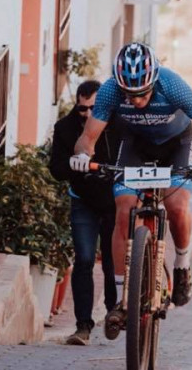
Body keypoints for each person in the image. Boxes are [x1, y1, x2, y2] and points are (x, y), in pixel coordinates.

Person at [70, 42, 192, 340]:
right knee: (124, 208)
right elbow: (87, 138)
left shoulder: (172, 85)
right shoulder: (109, 91)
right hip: (136, 144)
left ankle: (181, 264)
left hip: (177, 143)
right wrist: (82, 156)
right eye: (131, 94)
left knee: (178, 205)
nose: (138, 99)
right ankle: (121, 297)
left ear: (154, 80)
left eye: (143, 92)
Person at [48, 81, 119, 346]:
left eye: (93, 108)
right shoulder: (64, 129)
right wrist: (74, 164)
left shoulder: (117, 124)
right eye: (82, 109)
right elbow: (55, 168)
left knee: (113, 261)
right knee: (85, 260)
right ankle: (82, 327)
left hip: (113, 201)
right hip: (83, 202)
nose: (88, 114)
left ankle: (115, 312)